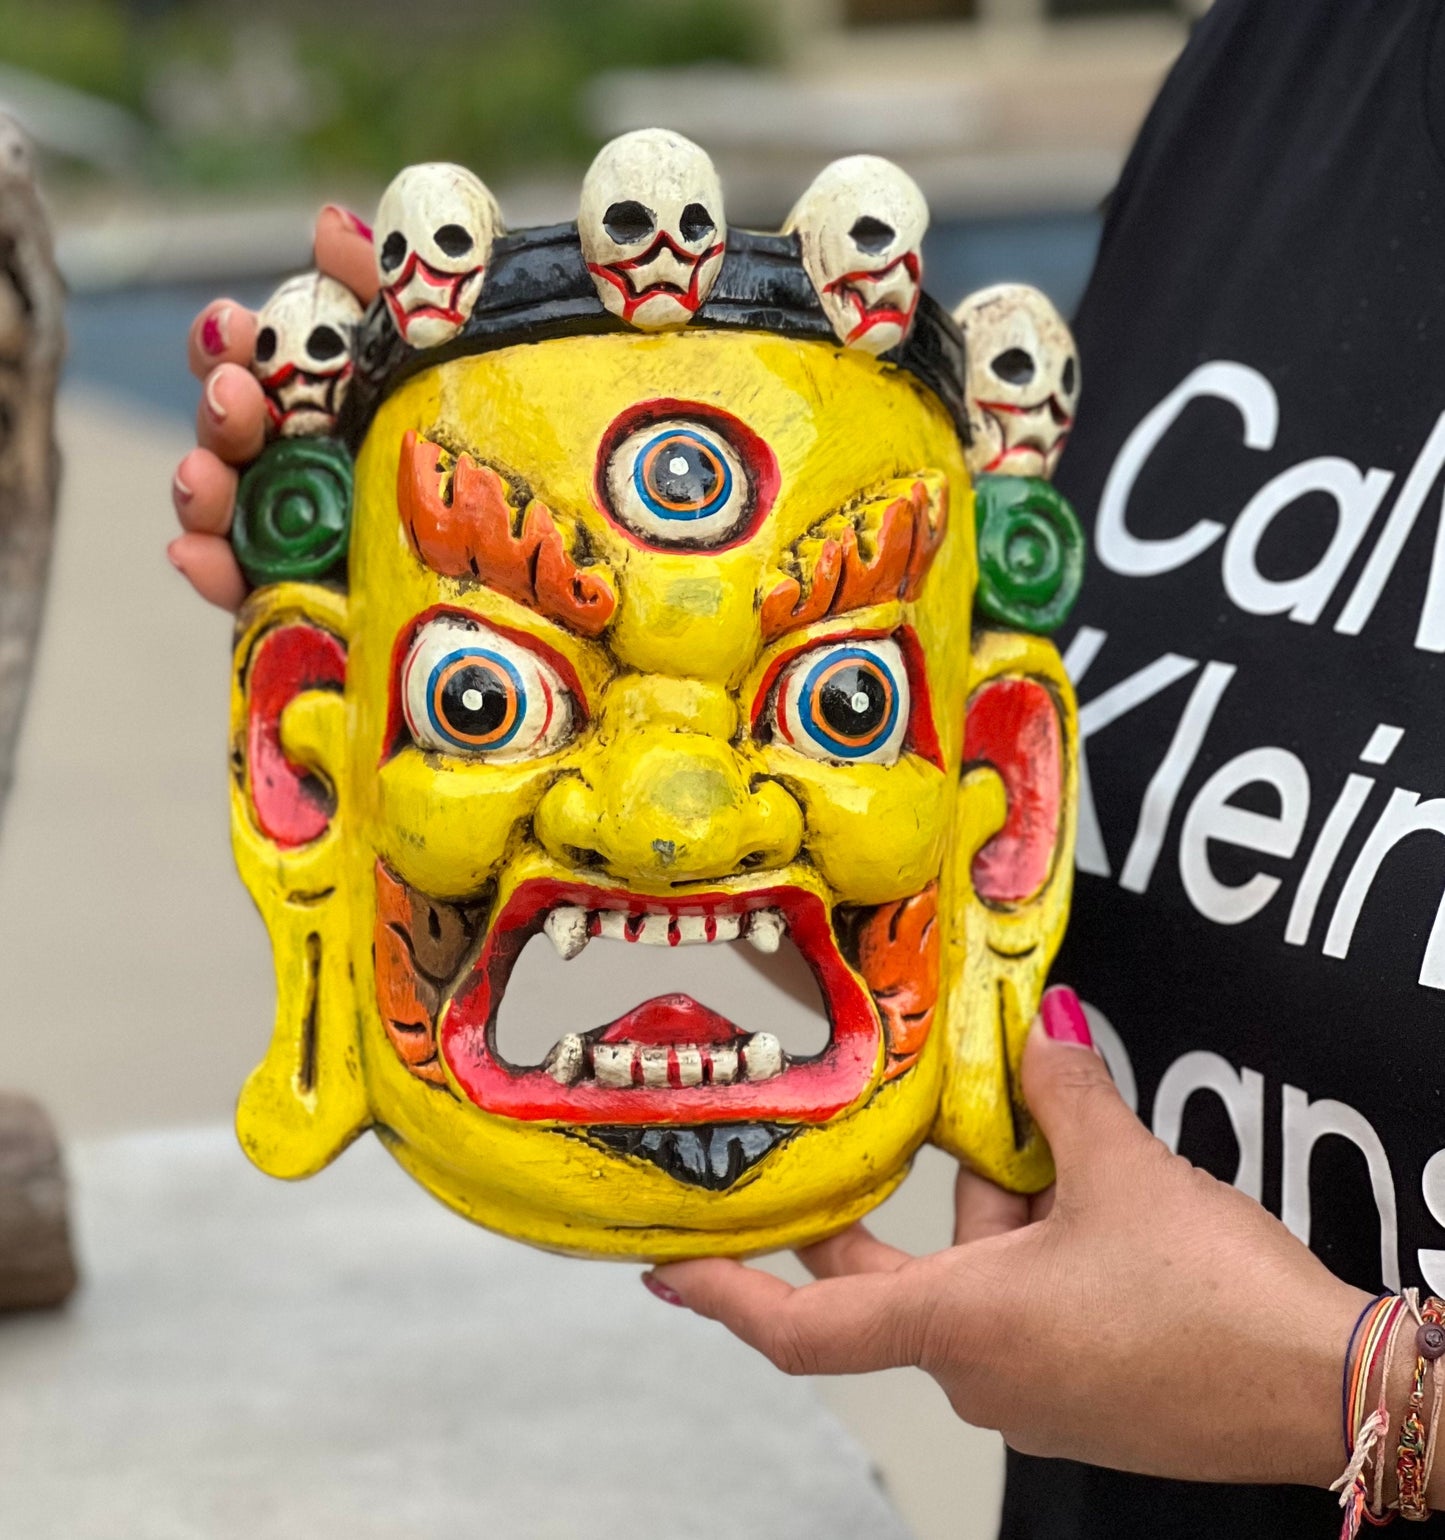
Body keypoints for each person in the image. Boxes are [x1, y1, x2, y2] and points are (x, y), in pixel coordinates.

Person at [168, 2, 1445, 1529]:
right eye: (488, 698)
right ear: (294, 771)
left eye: (837, 704)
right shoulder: (1284, 60)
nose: (668, 823)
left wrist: (1366, 1393)